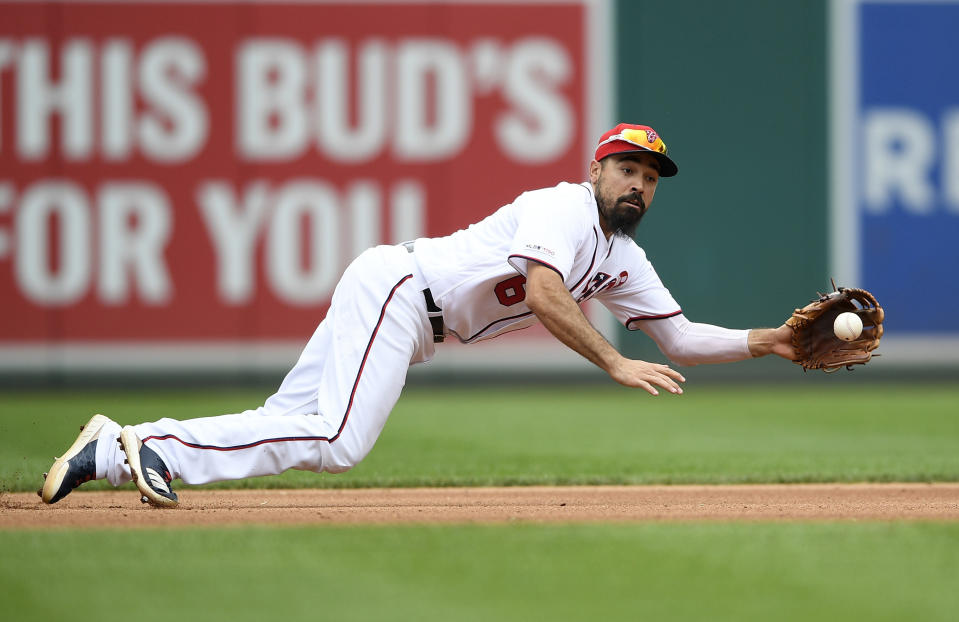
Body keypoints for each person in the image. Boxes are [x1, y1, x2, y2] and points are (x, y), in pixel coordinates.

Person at [40, 123, 795, 507]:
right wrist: (611, 359)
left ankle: (112, 452)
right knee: (337, 440)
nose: (637, 184)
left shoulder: (622, 256)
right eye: (625, 168)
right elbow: (542, 292)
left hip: (406, 306)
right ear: (592, 170)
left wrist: (777, 343)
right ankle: (153, 441)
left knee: (295, 419)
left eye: (650, 177)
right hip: (401, 292)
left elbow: (684, 339)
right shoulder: (561, 207)